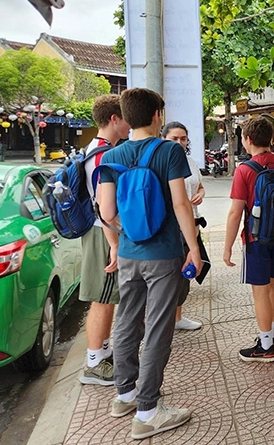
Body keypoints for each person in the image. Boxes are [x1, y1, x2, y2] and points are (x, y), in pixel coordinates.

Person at [97, 88, 201, 440]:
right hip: (163, 255)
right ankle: (148, 411)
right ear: (158, 115)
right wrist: (194, 248)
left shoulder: (114, 155)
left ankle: (124, 395)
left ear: (126, 117)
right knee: (158, 328)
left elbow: (107, 212)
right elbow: (181, 205)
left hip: (128, 254)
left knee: (127, 321)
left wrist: (126, 235)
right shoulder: (170, 150)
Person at [223, 116, 274, 362]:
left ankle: (265, 346)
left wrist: (227, 246)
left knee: (260, 291)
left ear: (247, 140)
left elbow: (235, 212)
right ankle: (273, 335)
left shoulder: (245, 170)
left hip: (256, 239)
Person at [78, 95, 131, 386]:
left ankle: (102, 351)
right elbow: (104, 206)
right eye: (124, 117)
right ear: (114, 119)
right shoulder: (102, 155)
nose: (127, 123)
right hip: (103, 233)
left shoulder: (96, 149)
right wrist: (114, 244)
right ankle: (94, 363)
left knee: (108, 297)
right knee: (102, 297)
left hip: (100, 231)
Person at [162, 121, 206, 331]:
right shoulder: (161, 163)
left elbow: (199, 186)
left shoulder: (190, 162)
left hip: (192, 223)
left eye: (183, 138)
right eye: (174, 138)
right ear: (164, 139)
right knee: (168, 275)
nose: (179, 142)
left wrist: (200, 194)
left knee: (185, 273)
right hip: (171, 226)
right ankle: (163, 320)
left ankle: (178, 318)